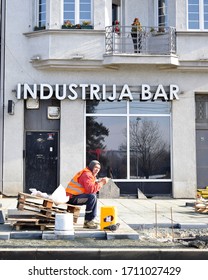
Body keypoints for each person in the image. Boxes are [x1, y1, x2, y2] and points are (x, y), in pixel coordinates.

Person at [65, 160, 109, 229]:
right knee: (92, 197)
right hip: (72, 198)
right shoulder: (87, 174)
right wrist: (102, 183)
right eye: (95, 167)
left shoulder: (90, 174)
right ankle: (88, 221)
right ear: (91, 167)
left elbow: (91, 188)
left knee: (93, 196)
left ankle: (91, 219)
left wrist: (98, 183)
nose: (97, 170)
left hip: (74, 196)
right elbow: (90, 190)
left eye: (99, 168)